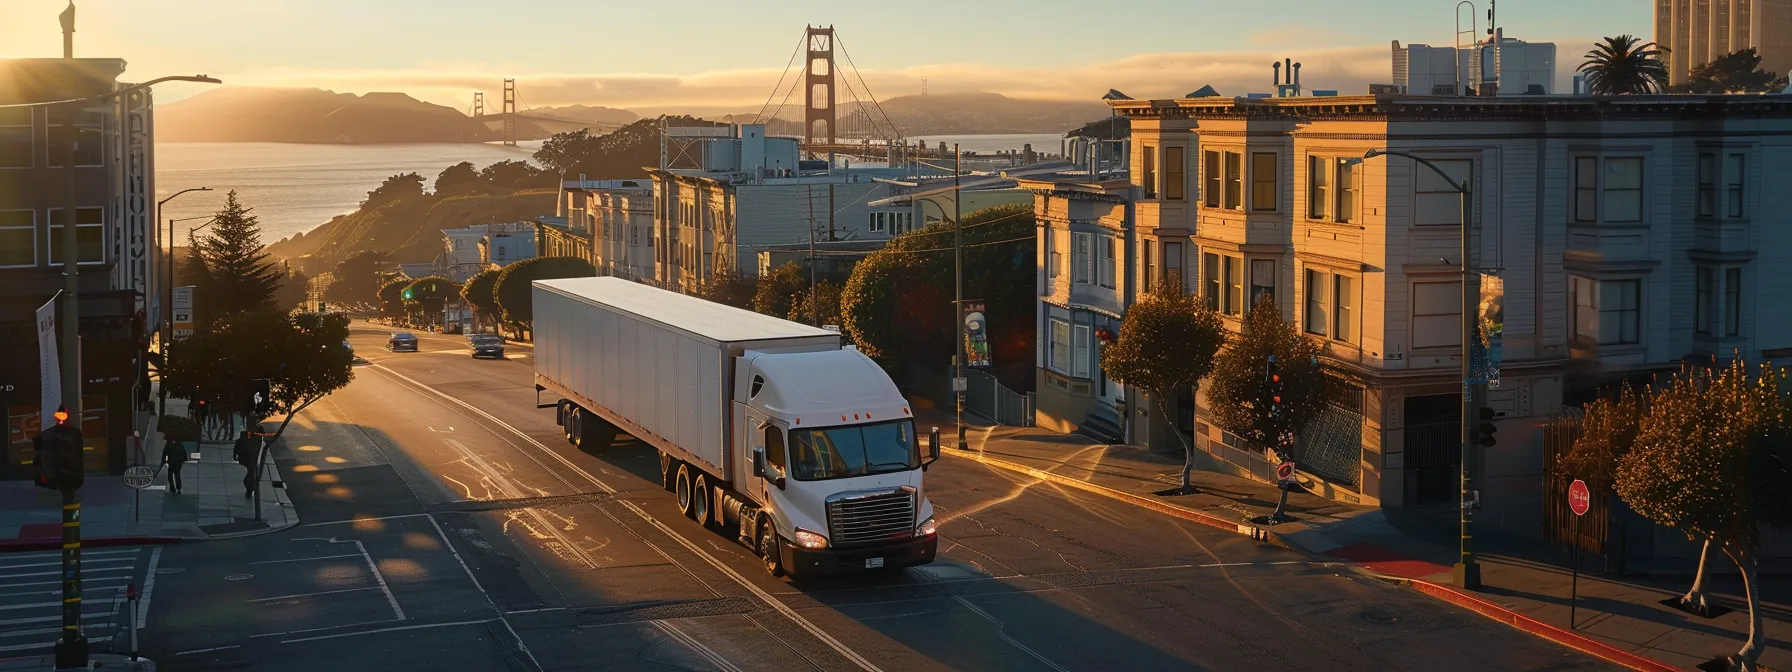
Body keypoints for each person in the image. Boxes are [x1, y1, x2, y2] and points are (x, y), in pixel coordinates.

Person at [233, 429, 259, 498]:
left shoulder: (239, 441)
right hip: (248, 460)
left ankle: (250, 488)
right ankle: (250, 488)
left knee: (250, 474)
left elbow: (235, 451)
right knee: (251, 474)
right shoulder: (248, 442)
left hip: (244, 460)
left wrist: (235, 456)